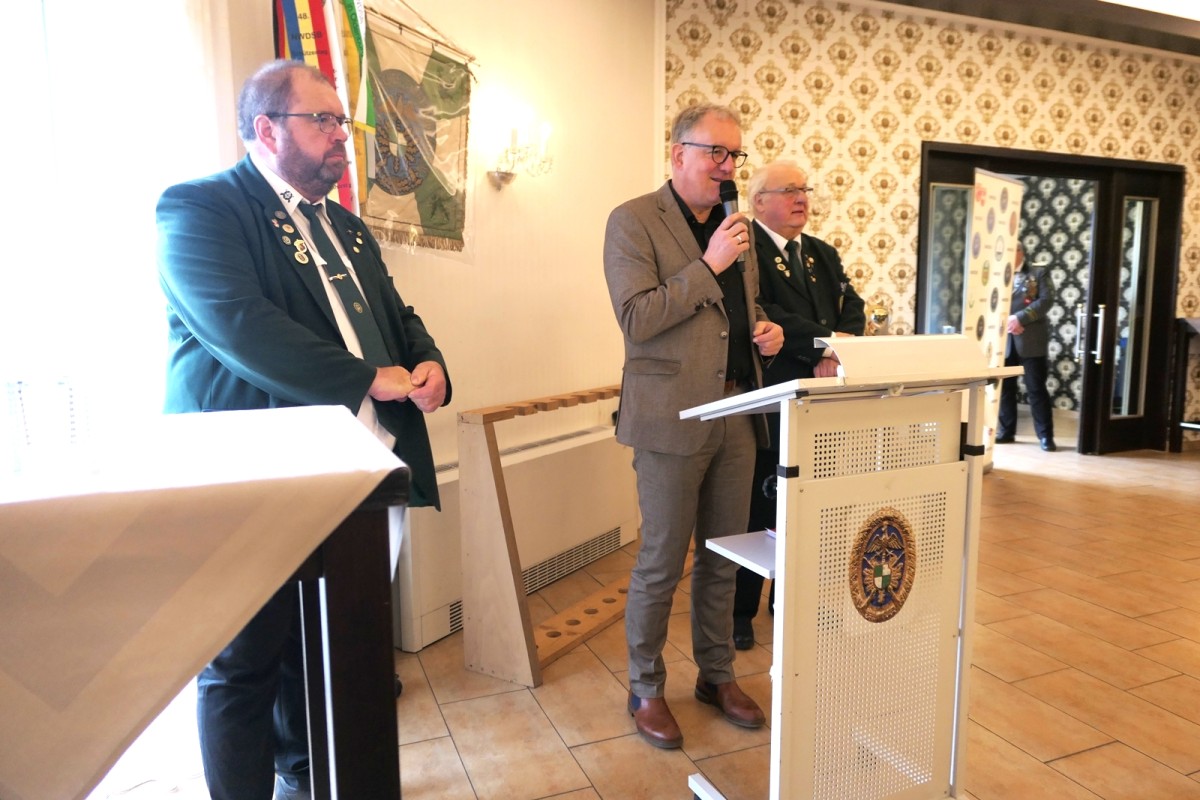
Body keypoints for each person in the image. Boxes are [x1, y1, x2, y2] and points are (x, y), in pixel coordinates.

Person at [157, 60, 450, 800]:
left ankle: (305, 777)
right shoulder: (201, 208)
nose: (340, 136)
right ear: (266, 129)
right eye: (322, 120)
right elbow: (239, 327)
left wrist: (429, 361)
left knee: (317, 651)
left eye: (340, 122)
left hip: (357, 467)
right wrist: (368, 378)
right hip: (246, 468)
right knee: (243, 661)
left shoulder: (347, 227)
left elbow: (396, 314)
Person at [603, 103, 783, 749]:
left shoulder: (737, 228)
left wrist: (764, 331)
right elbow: (638, 318)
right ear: (678, 153)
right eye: (716, 152)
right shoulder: (632, 220)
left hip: (736, 414)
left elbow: (738, 313)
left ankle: (716, 674)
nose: (728, 166)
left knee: (723, 559)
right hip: (669, 419)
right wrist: (708, 265)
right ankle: (646, 686)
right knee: (661, 561)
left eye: (735, 155)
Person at [732, 160, 865, 650]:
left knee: (811, 508)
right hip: (773, 397)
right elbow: (764, 313)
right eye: (789, 190)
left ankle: (790, 601)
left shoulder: (822, 253)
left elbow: (854, 307)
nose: (801, 197)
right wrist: (824, 347)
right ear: (758, 201)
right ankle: (740, 611)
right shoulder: (746, 250)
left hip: (823, 401)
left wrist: (838, 349)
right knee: (760, 506)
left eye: (804, 189)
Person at [997, 243, 1056, 451]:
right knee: (1005, 389)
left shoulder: (1038, 272)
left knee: (1036, 389)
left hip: (1031, 341)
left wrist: (1019, 318)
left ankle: (1045, 436)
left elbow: (1046, 300)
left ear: (1019, 252)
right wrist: (1008, 322)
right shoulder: (998, 274)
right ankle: (1006, 431)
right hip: (1005, 340)